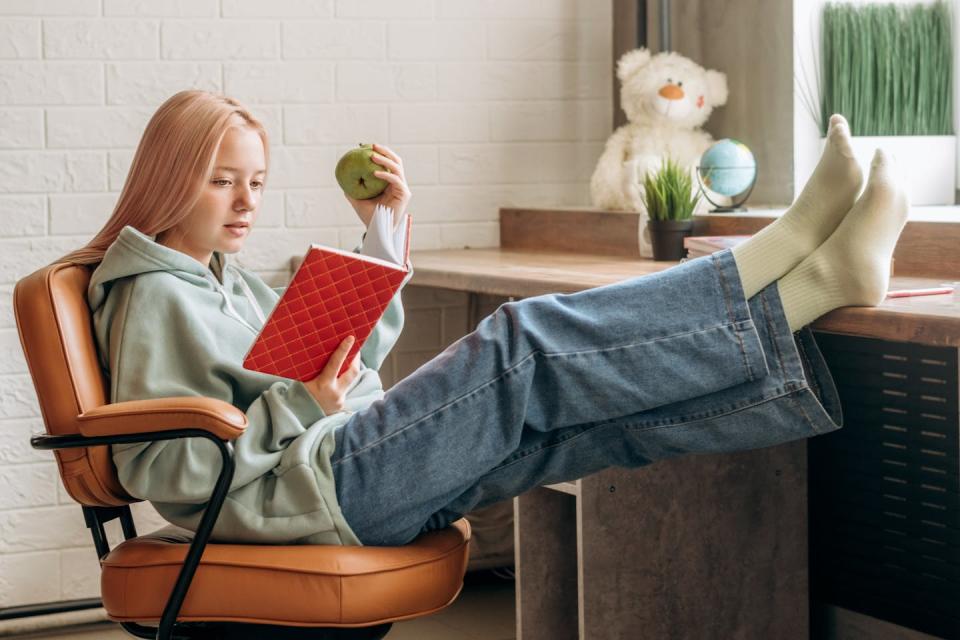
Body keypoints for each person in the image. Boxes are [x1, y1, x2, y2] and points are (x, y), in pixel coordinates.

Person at [60, 90, 908, 547]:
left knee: (586, 424)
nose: (246, 202)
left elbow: (328, 361)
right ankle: (789, 246)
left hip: (340, 465)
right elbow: (163, 470)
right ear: (172, 178)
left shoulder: (217, 278)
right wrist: (302, 406)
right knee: (524, 340)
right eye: (222, 180)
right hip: (323, 487)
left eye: (256, 181)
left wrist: (381, 235)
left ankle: (816, 283)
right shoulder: (151, 294)